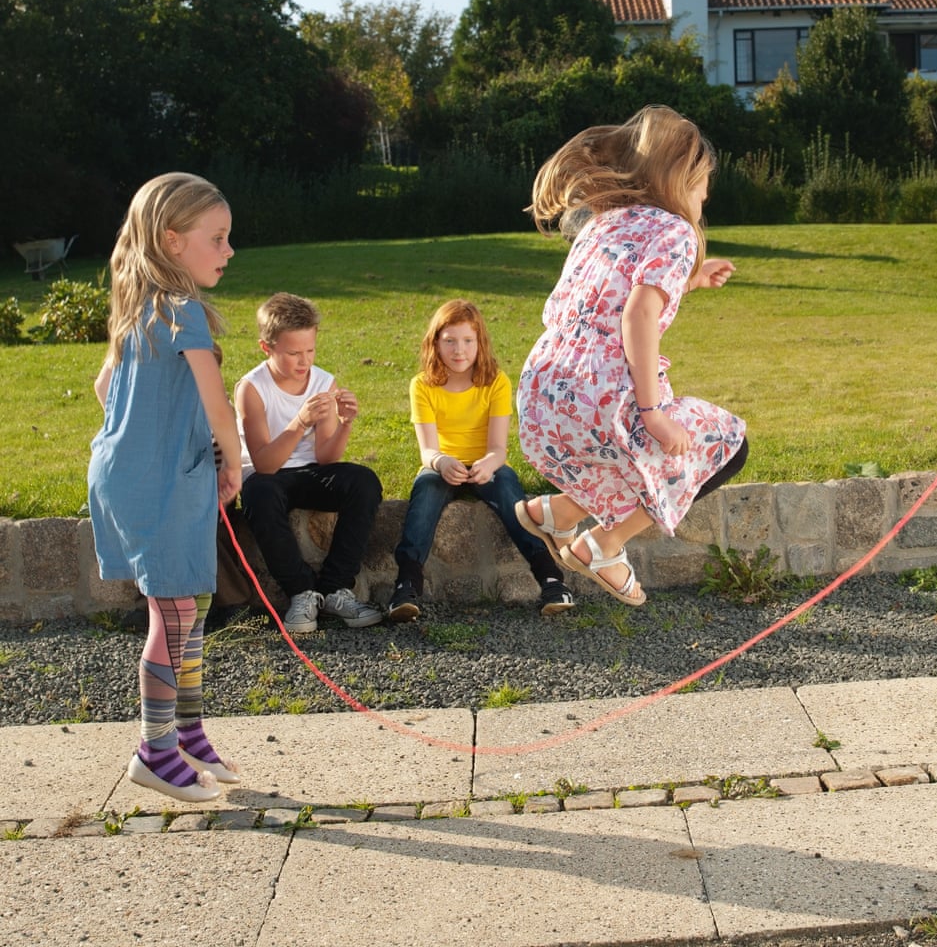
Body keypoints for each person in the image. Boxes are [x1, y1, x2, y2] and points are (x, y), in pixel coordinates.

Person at [514, 105, 748, 607]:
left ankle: (558, 512)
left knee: (631, 457)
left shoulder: (603, 222)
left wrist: (691, 280)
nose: (706, 194)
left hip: (544, 395)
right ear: (679, 178)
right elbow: (637, 314)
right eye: (703, 182)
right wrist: (652, 412)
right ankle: (604, 543)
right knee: (724, 443)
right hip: (606, 397)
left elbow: (612, 289)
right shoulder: (677, 231)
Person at [88, 172, 242, 802]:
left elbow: (105, 392)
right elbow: (217, 405)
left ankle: (186, 731)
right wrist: (232, 464)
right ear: (174, 241)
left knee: (187, 604)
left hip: (132, 472)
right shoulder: (183, 313)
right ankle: (153, 752)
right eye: (219, 238)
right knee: (176, 609)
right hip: (163, 480)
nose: (229, 250)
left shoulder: (138, 309)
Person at [387, 300, 575, 620]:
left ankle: (551, 579)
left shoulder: (495, 381)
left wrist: (488, 464)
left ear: (480, 343)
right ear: (435, 342)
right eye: (449, 341)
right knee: (426, 495)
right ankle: (406, 586)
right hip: (443, 465)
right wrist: (442, 463)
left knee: (510, 498)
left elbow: (499, 448)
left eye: (467, 341)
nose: (459, 350)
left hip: (487, 463)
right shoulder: (422, 385)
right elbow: (427, 451)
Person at [235, 293, 383, 634]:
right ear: (266, 348)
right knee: (258, 492)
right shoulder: (252, 388)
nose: (304, 362)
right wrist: (299, 422)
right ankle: (301, 593)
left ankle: (335, 589)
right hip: (269, 476)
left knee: (363, 481)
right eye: (293, 353)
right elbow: (265, 464)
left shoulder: (322, 381)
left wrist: (345, 423)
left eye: (310, 351)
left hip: (311, 472)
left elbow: (327, 459)